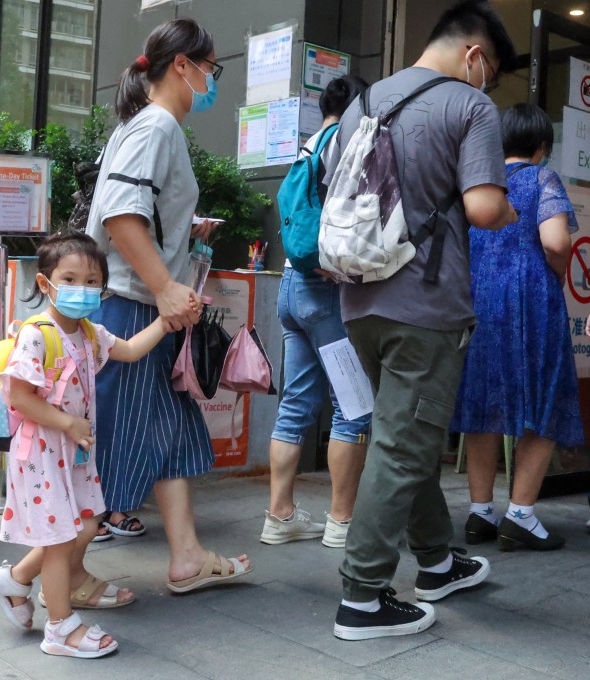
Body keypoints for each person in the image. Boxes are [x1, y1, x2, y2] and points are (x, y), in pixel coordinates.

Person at [324, 1, 519, 641]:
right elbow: (484, 207)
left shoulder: (360, 103)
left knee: (403, 432)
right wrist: (511, 212)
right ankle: (362, 597)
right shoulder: (470, 105)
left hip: (359, 301)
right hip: (426, 305)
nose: (488, 83)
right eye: (490, 71)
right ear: (474, 55)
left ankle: (436, 562)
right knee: (404, 444)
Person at [85, 18, 250, 590]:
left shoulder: (147, 126)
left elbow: (136, 212)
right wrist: (163, 286)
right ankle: (41, 573)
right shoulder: (156, 126)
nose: (212, 80)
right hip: (135, 310)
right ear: (183, 65)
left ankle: (187, 557)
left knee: (172, 436)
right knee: (117, 445)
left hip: (144, 310)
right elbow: (120, 214)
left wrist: (181, 234)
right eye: (211, 67)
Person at [0, 232, 170, 659]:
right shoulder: (37, 334)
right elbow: (20, 397)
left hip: (74, 452)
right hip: (43, 454)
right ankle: (60, 628)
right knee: (61, 539)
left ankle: (14, 580)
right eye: (70, 279)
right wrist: (67, 422)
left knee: (86, 525)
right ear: (45, 282)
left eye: (92, 281)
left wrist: (166, 321)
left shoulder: (88, 333)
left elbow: (129, 350)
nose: (82, 289)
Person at [452, 103, 580, 552]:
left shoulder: (478, 185)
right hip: (530, 300)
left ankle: (480, 512)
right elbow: (556, 242)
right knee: (544, 398)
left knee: (482, 401)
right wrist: (557, 274)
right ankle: (520, 515)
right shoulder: (542, 178)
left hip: (477, 300)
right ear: (542, 145)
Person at [263, 75, 370, 549]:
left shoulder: (307, 146)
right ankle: (341, 522)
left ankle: (279, 515)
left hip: (292, 286)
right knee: (353, 407)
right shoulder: (345, 144)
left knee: (295, 405)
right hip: (327, 291)